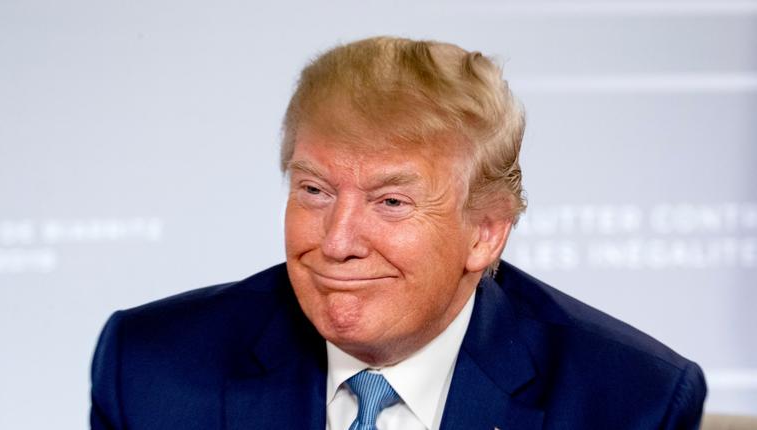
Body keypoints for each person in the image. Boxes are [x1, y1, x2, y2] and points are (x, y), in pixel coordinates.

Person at [90, 36, 706, 429]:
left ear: (485, 234)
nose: (336, 241)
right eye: (314, 191)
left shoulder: (632, 401)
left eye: (390, 201)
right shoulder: (150, 369)